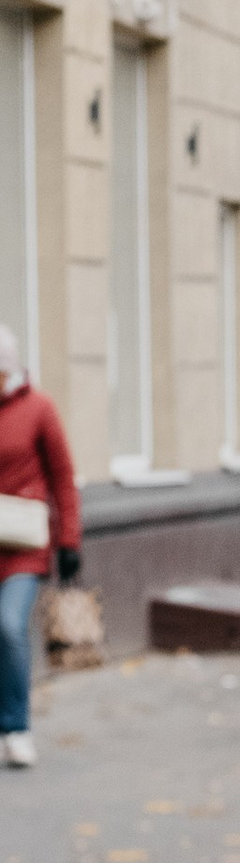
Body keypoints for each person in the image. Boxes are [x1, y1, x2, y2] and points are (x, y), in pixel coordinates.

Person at [0, 329, 80, 769]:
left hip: (22, 545)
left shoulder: (38, 409)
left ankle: (16, 728)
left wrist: (69, 540)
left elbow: (63, 477)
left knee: (9, 627)